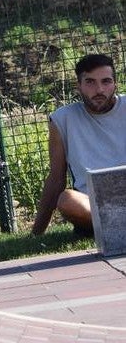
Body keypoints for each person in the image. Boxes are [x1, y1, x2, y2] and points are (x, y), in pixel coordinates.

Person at [31, 53, 126, 238]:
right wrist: (36, 233)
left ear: (115, 83)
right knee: (67, 200)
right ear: (79, 86)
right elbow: (56, 178)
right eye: (90, 82)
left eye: (106, 81)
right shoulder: (63, 119)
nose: (99, 89)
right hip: (93, 206)